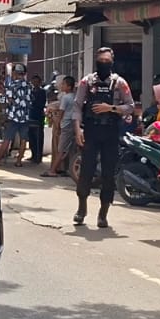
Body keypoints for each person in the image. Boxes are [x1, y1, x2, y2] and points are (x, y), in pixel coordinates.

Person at [74, 46, 136, 227]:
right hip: (91, 131)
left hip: (110, 132)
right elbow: (77, 106)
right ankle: (81, 208)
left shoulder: (119, 83)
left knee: (108, 174)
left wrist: (111, 108)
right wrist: (77, 130)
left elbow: (130, 106)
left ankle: (103, 213)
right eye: (101, 61)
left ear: (112, 62)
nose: (103, 64)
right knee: (86, 171)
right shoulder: (87, 82)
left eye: (107, 61)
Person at [0, 63, 32, 164]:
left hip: (14, 116)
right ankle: (19, 161)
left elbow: (10, 100)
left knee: (7, 138)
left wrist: (4, 92)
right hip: (25, 116)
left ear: (15, 73)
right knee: (23, 139)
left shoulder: (12, 85)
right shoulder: (29, 85)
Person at [48, 75, 78, 178]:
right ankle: (66, 168)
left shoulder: (65, 98)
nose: (61, 86)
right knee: (69, 149)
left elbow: (61, 112)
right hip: (73, 123)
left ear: (69, 86)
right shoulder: (75, 97)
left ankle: (52, 170)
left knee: (61, 149)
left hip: (65, 124)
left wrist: (58, 124)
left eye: (63, 84)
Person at [26, 71, 48, 166]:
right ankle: (33, 155)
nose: (34, 83)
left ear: (39, 82)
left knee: (38, 138)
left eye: (36, 82)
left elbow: (41, 104)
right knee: (31, 137)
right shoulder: (30, 91)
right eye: (33, 81)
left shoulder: (42, 92)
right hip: (30, 116)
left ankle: (38, 157)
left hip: (38, 117)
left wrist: (32, 103)